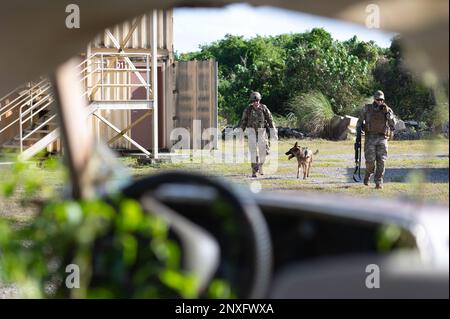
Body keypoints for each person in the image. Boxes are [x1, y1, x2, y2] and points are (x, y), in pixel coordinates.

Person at [356, 90, 396, 189]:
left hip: (382, 138)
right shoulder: (367, 108)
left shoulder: (387, 110)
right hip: (370, 138)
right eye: (378, 99)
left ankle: (379, 182)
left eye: (381, 99)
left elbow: (393, 125)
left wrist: (388, 114)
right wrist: (358, 131)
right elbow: (359, 121)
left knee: (381, 161)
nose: (380, 101)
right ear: (374, 99)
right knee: (370, 162)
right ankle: (367, 175)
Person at [240, 92, 276, 177]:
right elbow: (243, 121)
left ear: (259, 100)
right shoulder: (248, 110)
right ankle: (254, 170)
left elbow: (270, 120)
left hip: (262, 132)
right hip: (251, 132)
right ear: (251, 101)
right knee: (253, 152)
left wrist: (273, 131)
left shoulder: (264, 108)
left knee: (264, 151)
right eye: (254, 101)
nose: (256, 102)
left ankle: (260, 166)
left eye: (257, 100)